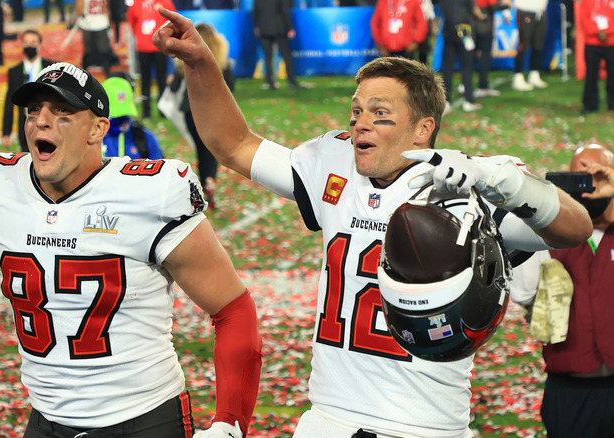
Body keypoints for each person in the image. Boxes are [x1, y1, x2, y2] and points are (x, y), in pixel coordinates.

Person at [153, 10, 593, 436]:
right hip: (327, 418)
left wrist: (509, 182)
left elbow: (575, 228)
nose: (361, 121)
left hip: (424, 425)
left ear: (423, 128)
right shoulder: (334, 164)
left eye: (380, 112)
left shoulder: (465, 184)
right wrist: (199, 62)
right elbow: (232, 144)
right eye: (357, 109)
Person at [0, 61, 261, 438]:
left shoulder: (148, 195)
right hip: (46, 421)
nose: (41, 121)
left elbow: (232, 309)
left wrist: (230, 423)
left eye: (62, 112)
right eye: (34, 110)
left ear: (97, 129)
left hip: (144, 419)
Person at [511, 144, 614, 438]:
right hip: (570, 391)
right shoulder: (545, 237)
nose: (589, 186)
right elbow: (522, 291)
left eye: (597, 177)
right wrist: (537, 212)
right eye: (578, 178)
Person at [170, 23, 234, 210]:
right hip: (214, 110)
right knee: (211, 150)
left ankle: (203, 187)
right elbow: (230, 87)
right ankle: (209, 182)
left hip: (190, 110)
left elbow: (174, 88)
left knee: (200, 148)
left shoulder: (185, 59)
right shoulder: (221, 61)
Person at [2, 29, 55, 152]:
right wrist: (6, 132)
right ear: (21, 45)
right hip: (25, 125)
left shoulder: (51, 68)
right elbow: (9, 102)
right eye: (26, 42)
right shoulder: (14, 72)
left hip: (50, 124)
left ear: (39, 45)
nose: (29, 46)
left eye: (33, 42)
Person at [126, 0, 176, 119]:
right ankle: (146, 111)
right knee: (145, 80)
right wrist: (140, 36)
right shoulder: (136, 3)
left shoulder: (165, 2)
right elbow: (131, 22)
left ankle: (163, 110)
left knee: (161, 79)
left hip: (160, 48)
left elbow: (173, 20)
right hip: (142, 48)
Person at [102, 75, 164, 159]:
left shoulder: (145, 138)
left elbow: (160, 169)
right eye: (116, 115)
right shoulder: (90, 140)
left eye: (124, 114)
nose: (121, 120)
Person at [439, 0, 481, 113]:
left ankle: (446, 100)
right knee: (467, 65)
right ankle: (468, 100)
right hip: (464, 28)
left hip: (449, 28)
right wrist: (482, 17)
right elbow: (473, 9)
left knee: (447, 67)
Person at [252, 0, 301, 90]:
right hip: (280, 28)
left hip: (264, 28)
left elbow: (255, 12)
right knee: (286, 55)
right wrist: (290, 27)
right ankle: (292, 81)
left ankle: (270, 82)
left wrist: (257, 26)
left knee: (268, 56)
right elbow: (285, 11)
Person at [470, 0, 512, 97]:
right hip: (483, 20)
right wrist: (506, 6)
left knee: (469, 54)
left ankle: (464, 84)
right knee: (485, 54)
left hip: (469, 18)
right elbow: (493, 6)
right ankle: (483, 86)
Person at [579, 0, 614, 114]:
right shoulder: (586, 1)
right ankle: (590, 105)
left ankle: (612, 104)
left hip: (611, 42)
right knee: (591, 75)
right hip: (592, 43)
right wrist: (596, 32)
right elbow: (583, 19)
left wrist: (607, 32)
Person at [511, 0, 549, 91]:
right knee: (523, 44)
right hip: (525, 10)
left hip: (541, 11)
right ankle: (518, 76)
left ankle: (534, 74)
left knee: (538, 44)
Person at [76, 0, 117, 76]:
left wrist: (108, 21)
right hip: (88, 24)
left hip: (101, 23)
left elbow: (107, 6)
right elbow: (80, 4)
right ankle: (83, 73)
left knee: (104, 50)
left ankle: (108, 73)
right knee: (88, 51)